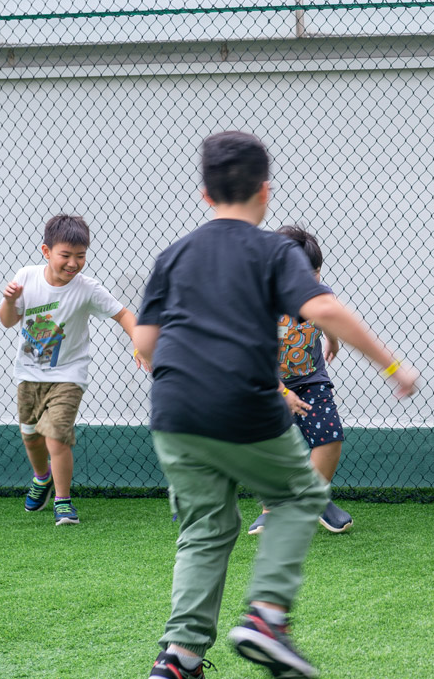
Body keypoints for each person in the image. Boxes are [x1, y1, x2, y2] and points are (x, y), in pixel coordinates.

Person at [136, 131, 417, 679]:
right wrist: (391, 365)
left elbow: (145, 344)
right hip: (242, 402)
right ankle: (266, 617)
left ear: (204, 193)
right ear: (264, 193)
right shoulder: (272, 250)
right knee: (299, 494)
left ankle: (179, 657)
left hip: (173, 415)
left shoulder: (172, 255)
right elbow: (325, 308)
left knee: (205, 528)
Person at [0, 214, 147, 526]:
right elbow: (9, 321)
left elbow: (124, 315)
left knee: (56, 438)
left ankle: (63, 501)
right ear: (46, 251)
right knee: (31, 436)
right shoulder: (26, 277)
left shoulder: (88, 289)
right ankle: (42, 477)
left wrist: (140, 344)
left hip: (68, 375)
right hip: (29, 373)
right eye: (65, 255)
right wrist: (9, 302)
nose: (73, 263)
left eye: (80, 256)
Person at [248, 225, 353, 536]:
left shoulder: (321, 296)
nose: (311, 281)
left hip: (310, 379)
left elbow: (329, 315)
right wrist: (282, 393)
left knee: (330, 436)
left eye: (316, 273)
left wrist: (332, 341)